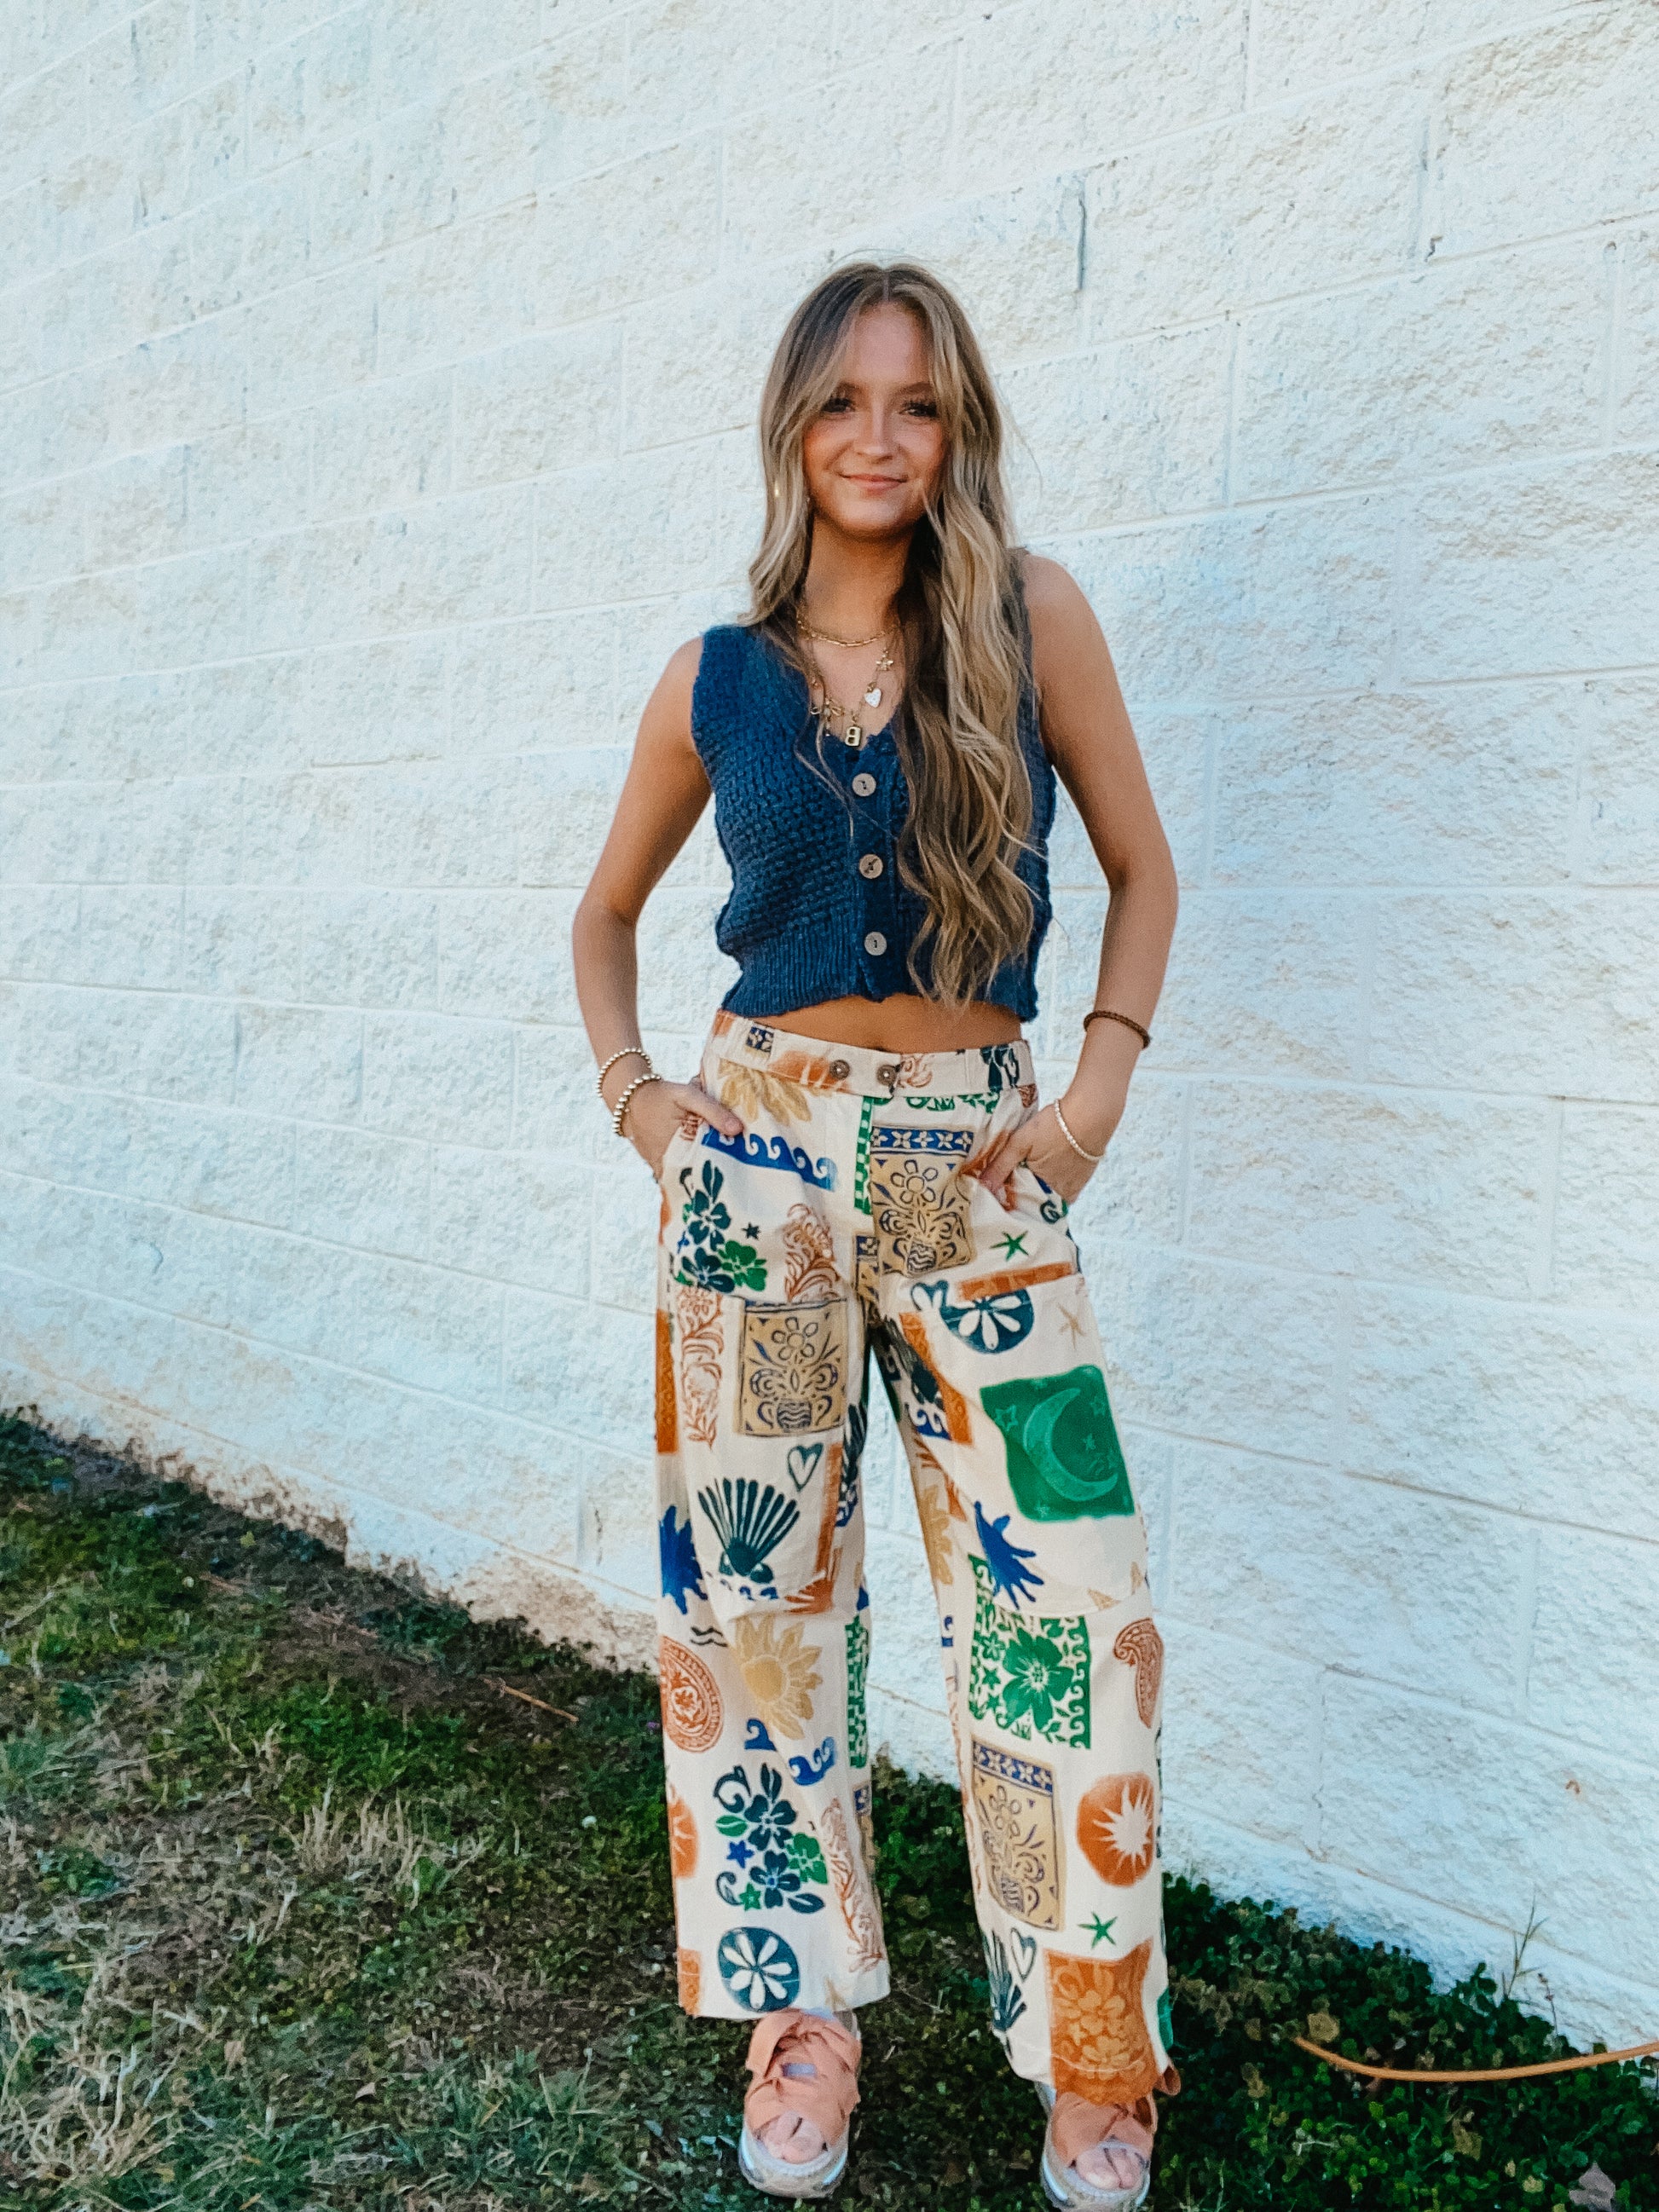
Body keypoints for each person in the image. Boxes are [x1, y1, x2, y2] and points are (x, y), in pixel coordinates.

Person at [572, 261, 1180, 2209]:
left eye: (915, 402)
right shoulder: (721, 675)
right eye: (842, 400)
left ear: (954, 426)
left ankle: (1093, 2046)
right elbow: (602, 914)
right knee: (756, 1606)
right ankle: (800, 2015)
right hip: (759, 1162)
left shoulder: (1026, 617)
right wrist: (644, 1102)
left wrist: (1091, 1094)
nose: (878, 436)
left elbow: (1144, 867)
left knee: (1065, 1597)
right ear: (793, 425)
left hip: (975, 1160)